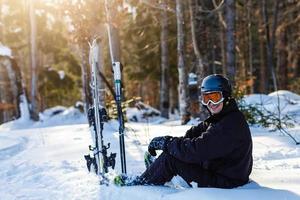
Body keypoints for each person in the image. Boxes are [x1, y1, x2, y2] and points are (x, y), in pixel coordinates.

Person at [116, 74, 253, 189]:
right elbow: (195, 133)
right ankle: (157, 171)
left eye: (215, 97)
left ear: (226, 96)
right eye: (206, 98)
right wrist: (171, 144)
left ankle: (142, 183)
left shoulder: (229, 125)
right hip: (222, 172)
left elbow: (196, 150)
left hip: (226, 183)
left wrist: (167, 143)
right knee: (176, 151)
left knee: (170, 160)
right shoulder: (225, 117)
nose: (211, 103)